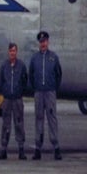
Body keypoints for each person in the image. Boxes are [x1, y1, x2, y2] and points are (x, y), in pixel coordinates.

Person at [28, 29, 64, 160]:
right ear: (39, 43)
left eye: (45, 41)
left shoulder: (53, 57)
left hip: (49, 92)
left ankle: (56, 147)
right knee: (39, 118)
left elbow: (58, 74)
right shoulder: (35, 58)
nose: (43, 44)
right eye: (41, 41)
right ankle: (38, 148)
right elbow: (31, 75)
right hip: (39, 92)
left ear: (48, 42)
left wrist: (53, 87)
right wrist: (36, 87)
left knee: (52, 119)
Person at [0, 42, 28, 160]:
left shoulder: (21, 66)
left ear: (16, 52)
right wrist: (6, 91)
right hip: (7, 100)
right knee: (6, 124)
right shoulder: (4, 66)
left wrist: (19, 91)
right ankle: (3, 149)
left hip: (17, 99)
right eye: (10, 51)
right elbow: (2, 80)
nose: (12, 53)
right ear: (8, 52)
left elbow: (24, 80)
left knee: (19, 124)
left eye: (14, 51)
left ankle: (21, 149)